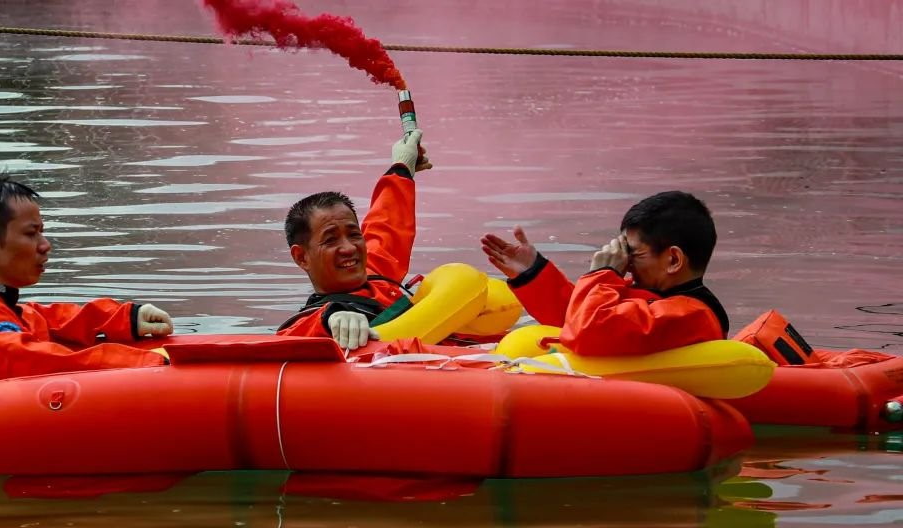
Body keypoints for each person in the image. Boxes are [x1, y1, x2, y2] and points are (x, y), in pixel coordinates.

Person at [0, 173, 174, 380]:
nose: (45, 245)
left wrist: (126, 318)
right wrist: (150, 362)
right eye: (31, 234)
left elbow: (60, 321)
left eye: (42, 232)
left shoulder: (3, 308)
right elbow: (37, 360)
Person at [481, 190, 728, 356]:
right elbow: (575, 319)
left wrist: (603, 274)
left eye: (633, 253)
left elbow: (587, 333)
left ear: (673, 260)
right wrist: (532, 272)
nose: (627, 264)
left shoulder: (690, 316)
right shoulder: (657, 299)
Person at [276, 130, 431, 350]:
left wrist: (402, 166)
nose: (349, 248)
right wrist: (332, 317)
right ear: (302, 257)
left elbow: (387, 223)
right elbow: (288, 338)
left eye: (354, 234)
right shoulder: (308, 327)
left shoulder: (377, 272)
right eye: (330, 240)